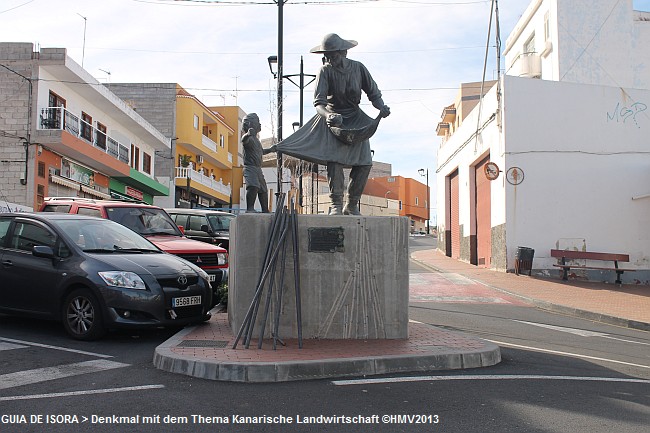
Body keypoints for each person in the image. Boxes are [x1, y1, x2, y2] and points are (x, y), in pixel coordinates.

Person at [276, 33, 390, 215]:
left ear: (343, 52)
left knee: (365, 163)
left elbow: (374, 94)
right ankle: (336, 203)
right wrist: (328, 115)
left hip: (355, 117)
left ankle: (352, 204)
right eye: (327, 55)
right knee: (335, 162)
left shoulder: (358, 68)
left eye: (333, 55)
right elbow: (318, 103)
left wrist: (382, 107)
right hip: (334, 119)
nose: (329, 59)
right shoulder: (325, 71)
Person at [242, 113, 276, 213]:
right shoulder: (248, 138)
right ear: (250, 124)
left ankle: (265, 209)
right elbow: (243, 140)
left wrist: (270, 149)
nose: (260, 124)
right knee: (253, 186)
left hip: (257, 168)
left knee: (263, 190)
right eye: (258, 122)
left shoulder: (257, 140)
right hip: (250, 168)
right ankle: (250, 208)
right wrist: (248, 134)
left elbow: (261, 152)